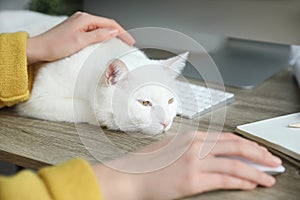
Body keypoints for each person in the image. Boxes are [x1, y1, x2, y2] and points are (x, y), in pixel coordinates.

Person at [0, 11, 282, 200]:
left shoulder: (139, 63)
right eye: (145, 103)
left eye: (171, 101)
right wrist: (106, 118)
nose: (165, 122)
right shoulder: (76, 66)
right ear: (112, 77)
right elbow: (34, 102)